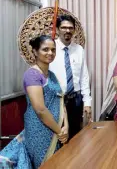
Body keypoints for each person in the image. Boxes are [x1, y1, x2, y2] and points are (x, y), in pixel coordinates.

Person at [0, 35, 68, 168]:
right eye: (45, 49)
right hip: (39, 129)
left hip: (57, 128)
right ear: (35, 51)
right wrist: (60, 131)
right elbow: (40, 110)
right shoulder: (32, 75)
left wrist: (66, 126)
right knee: (45, 163)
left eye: (53, 50)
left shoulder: (52, 75)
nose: (50, 53)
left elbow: (60, 101)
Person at [49, 15, 92, 140]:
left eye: (70, 28)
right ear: (57, 29)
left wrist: (87, 102)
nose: (67, 31)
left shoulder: (79, 49)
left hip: (75, 101)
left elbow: (84, 77)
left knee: (75, 136)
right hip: (56, 101)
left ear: (74, 30)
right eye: (63, 27)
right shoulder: (50, 49)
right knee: (58, 137)